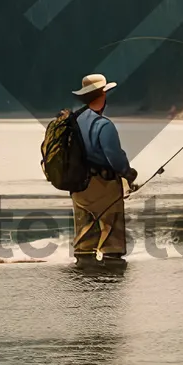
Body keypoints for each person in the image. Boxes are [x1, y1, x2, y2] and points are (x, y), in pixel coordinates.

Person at [69, 73, 137, 264]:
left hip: (77, 186)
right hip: (103, 186)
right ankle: (111, 270)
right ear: (102, 95)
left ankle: (84, 266)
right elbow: (114, 157)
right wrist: (128, 174)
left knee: (84, 245)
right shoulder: (103, 125)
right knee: (112, 243)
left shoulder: (72, 121)